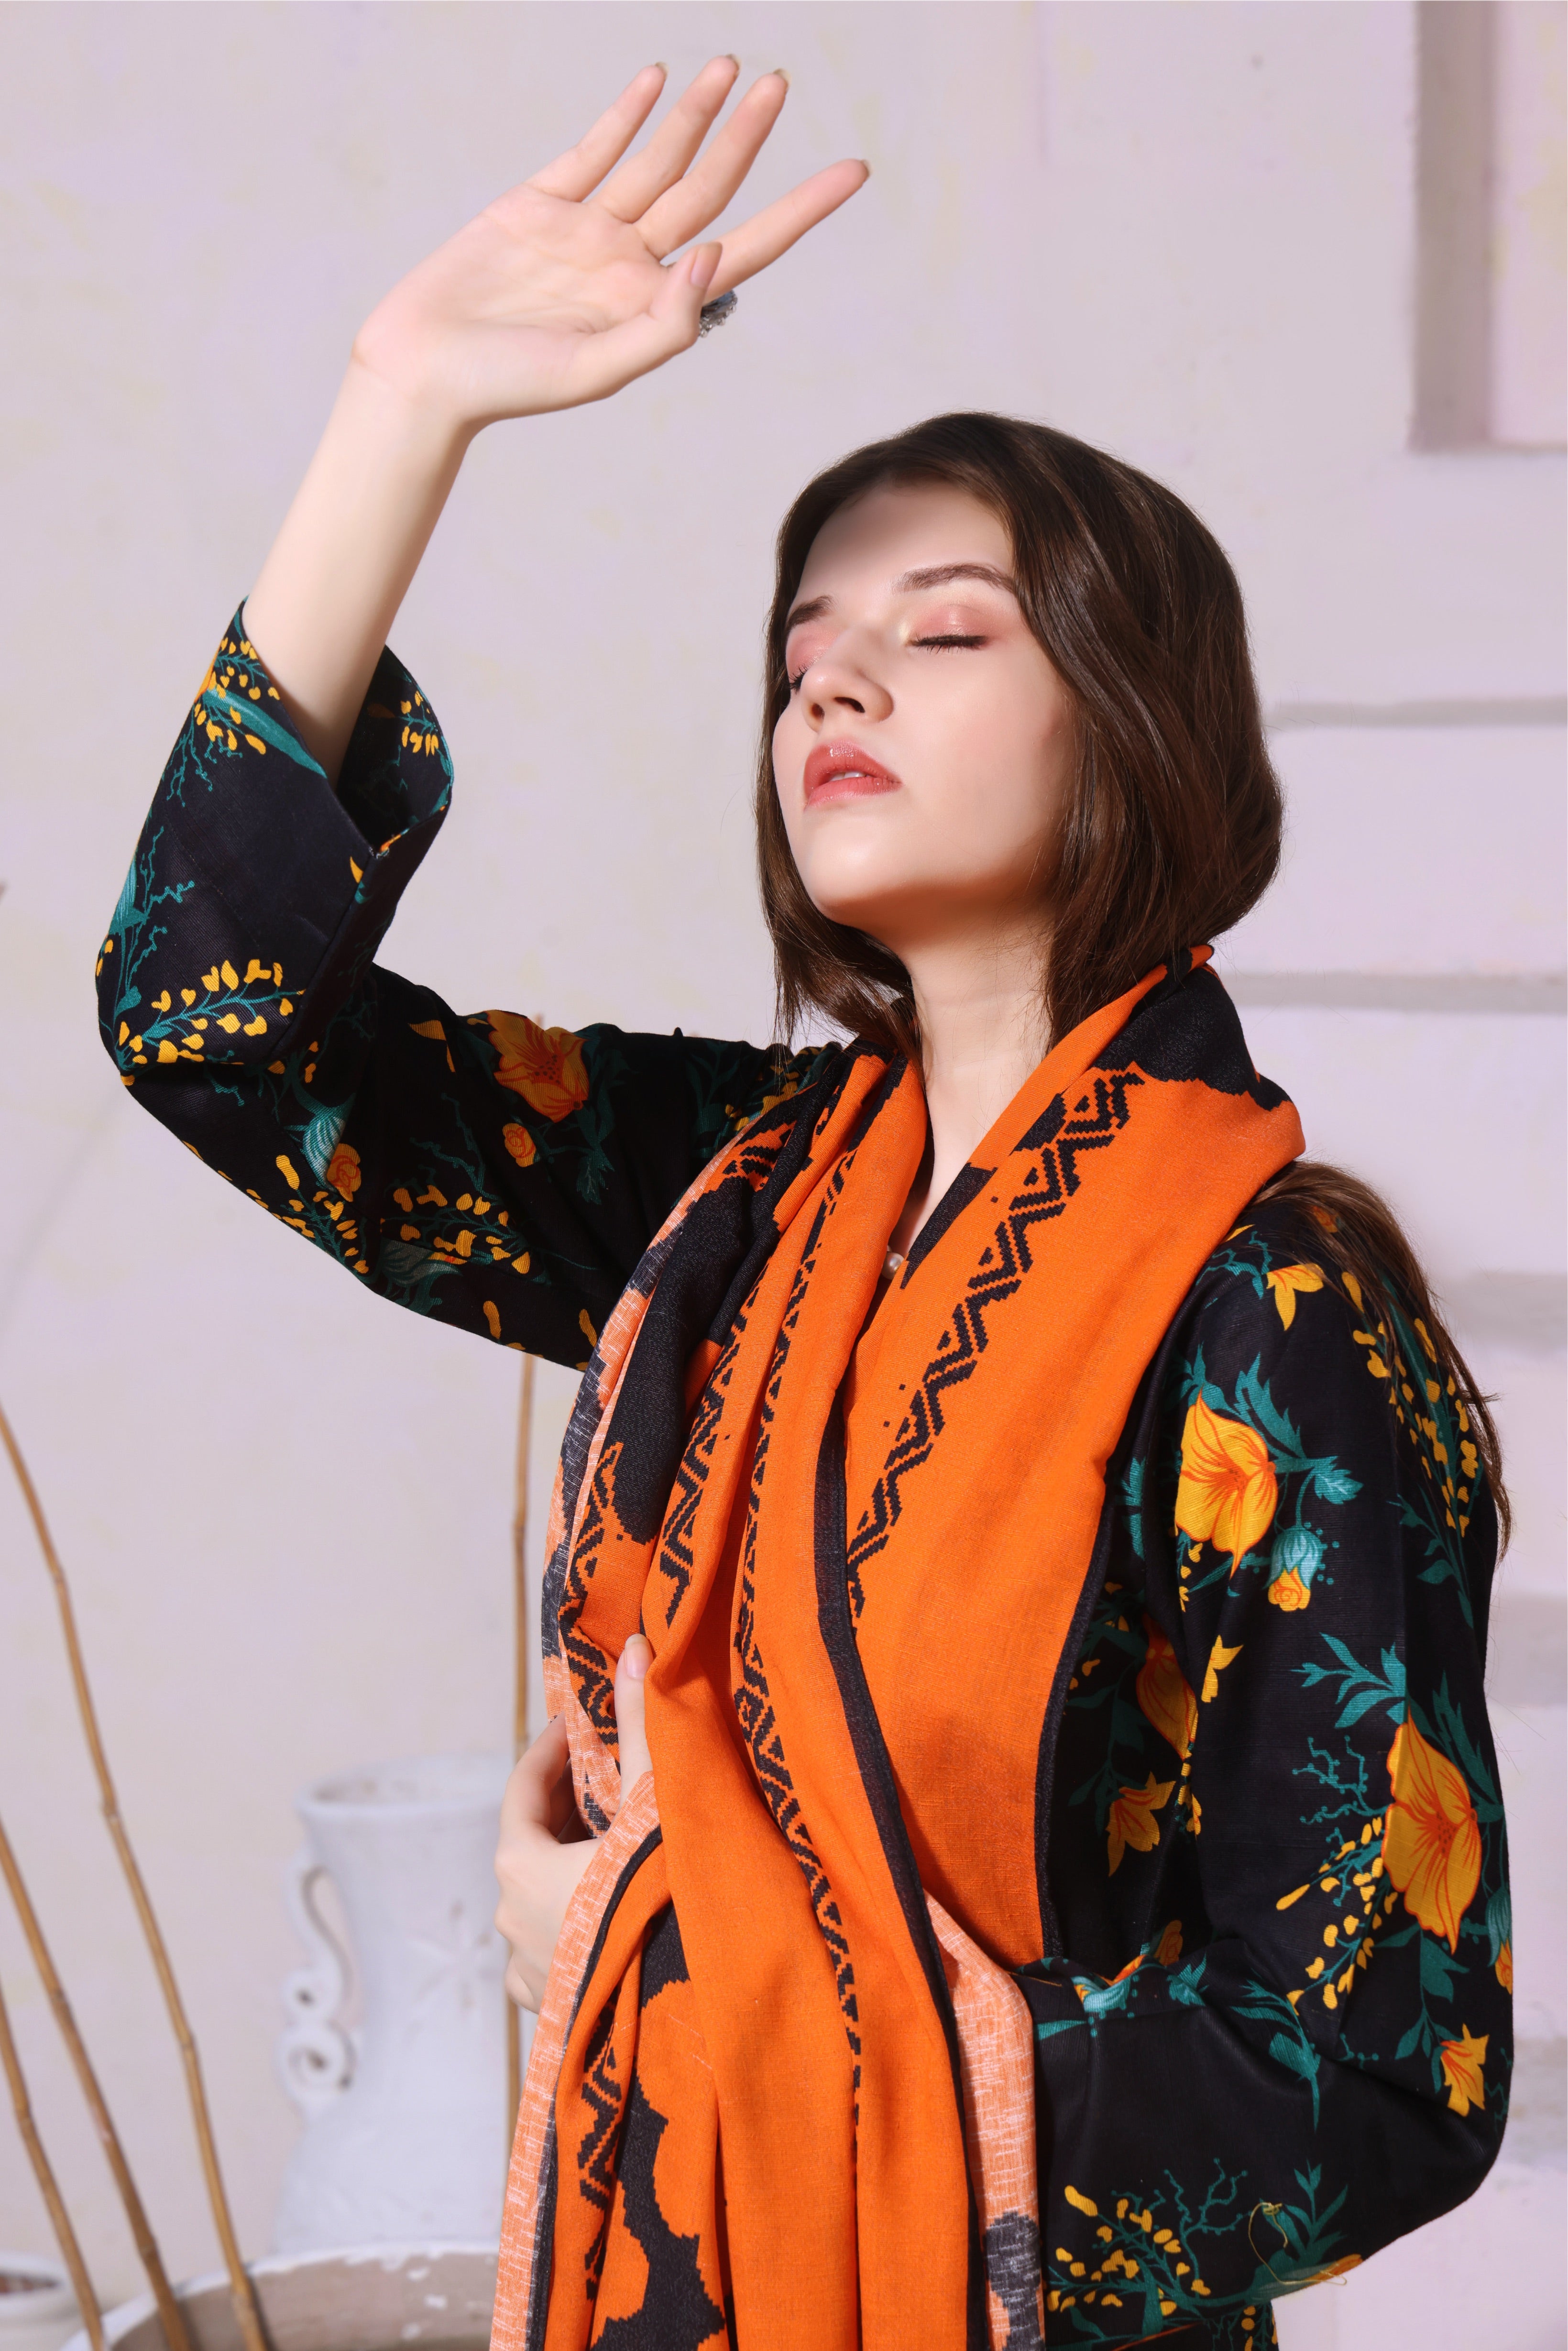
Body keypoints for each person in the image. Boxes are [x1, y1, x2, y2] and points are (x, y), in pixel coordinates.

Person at [97, 59, 1512, 2351]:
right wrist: (404, 407)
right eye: (804, 651)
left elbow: (1375, 2069)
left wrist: (676, 1978)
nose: (836, 672)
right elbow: (217, 1024)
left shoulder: (1278, 1308)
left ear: (1134, 722)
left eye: (945, 630)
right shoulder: (729, 1199)